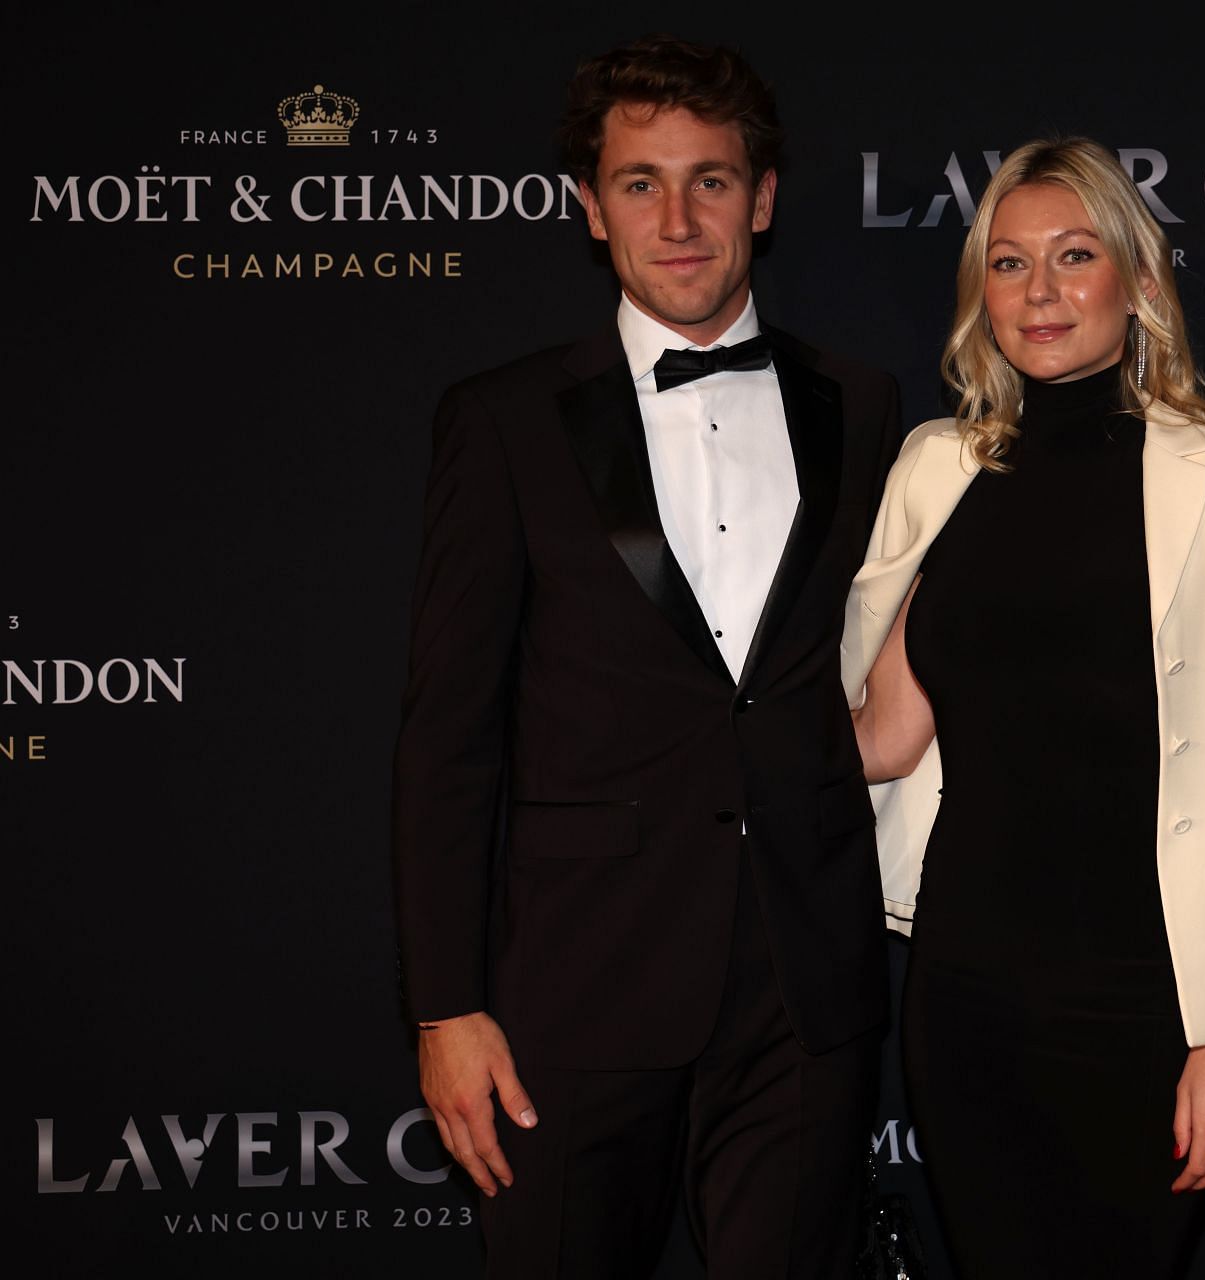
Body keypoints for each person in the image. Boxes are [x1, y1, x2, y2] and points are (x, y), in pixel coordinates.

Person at [390, 35, 901, 1279]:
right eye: (639, 182)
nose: (678, 219)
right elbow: (448, 730)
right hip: (575, 986)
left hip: (804, 979)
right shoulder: (504, 419)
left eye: (711, 180)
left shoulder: (867, 406)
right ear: (590, 206)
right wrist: (446, 1005)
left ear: (762, 199)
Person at [843, 137, 1205, 1278]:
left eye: (1073, 256)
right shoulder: (935, 469)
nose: (1038, 293)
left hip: (1147, 994)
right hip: (965, 984)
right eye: (1008, 262)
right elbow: (885, 734)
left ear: (1137, 281)